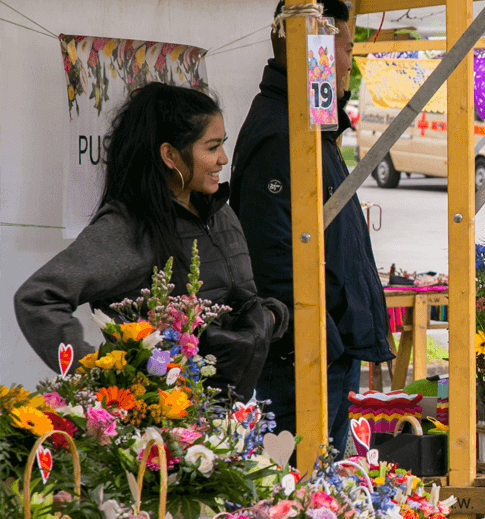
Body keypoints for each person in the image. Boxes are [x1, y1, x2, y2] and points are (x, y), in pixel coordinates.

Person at [15, 83, 288, 399]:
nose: (223, 159)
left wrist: (270, 317)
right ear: (170, 155)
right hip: (161, 430)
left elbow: (242, 299)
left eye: (222, 145)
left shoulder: (220, 214)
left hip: (226, 421)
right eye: (212, 147)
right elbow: (37, 298)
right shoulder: (129, 227)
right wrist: (98, 377)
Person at [231, 0, 393, 453]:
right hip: (302, 358)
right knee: (302, 493)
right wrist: (325, 340)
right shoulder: (281, 131)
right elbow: (273, 256)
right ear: (315, 48)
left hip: (324, 352)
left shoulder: (307, 124)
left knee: (323, 489)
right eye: (344, 48)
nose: (348, 62)